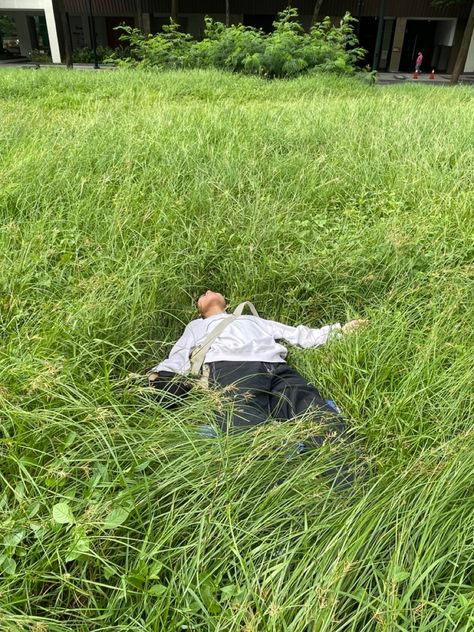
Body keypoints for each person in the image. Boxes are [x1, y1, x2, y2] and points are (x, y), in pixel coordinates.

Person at [148, 291, 367, 434]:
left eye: (212, 291)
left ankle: (354, 482)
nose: (207, 292)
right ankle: (275, 495)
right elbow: (180, 354)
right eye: (202, 295)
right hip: (231, 368)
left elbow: (297, 335)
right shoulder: (196, 326)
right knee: (248, 432)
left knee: (319, 416)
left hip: (278, 368)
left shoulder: (251, 319)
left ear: (226, 302)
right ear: (199, 311)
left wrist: (339, 330)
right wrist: (160, 376)